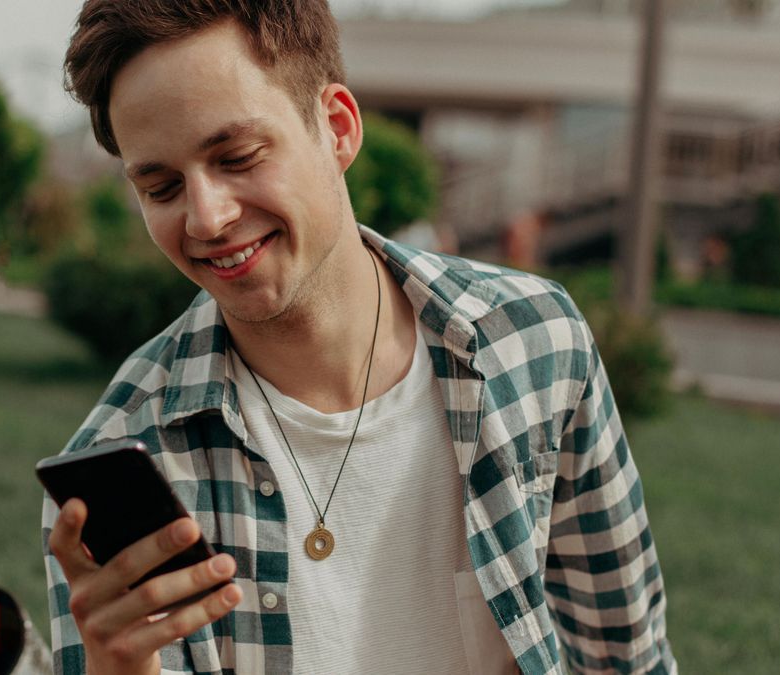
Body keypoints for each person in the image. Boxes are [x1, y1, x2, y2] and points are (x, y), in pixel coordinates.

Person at [42, 2, 677, 674]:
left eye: (237, 156)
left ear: (338, 128)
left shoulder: (533, 343)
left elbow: (626, 656)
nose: (206, 217)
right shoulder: (123, 457)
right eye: (162, 186)